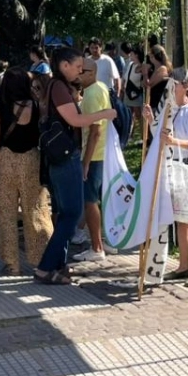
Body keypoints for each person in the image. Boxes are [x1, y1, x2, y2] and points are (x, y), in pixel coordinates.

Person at [34, 47, 116, 285]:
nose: (80, 72)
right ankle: (46, 267)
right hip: (65, 158)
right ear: (64, 65)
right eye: (78, 67)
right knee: (72, 214)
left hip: (62, 158)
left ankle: (58, 265)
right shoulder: (58, 87)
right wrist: (105, 113)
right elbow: (75, 120)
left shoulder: (55, 86)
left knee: (67, 214)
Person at [0, 67, 52, 275]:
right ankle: (41, 258)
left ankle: (11, 264)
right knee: (35, 209)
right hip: (31, 159)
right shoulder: (36, 106)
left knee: (5, 213)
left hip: (6, 158)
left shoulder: (0, 108)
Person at [149, 67, 188, 284]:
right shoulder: (170, 108)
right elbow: (161, 135)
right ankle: (183, 265)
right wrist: (149, 120)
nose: (171, 87)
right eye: (170, 83)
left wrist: (174, 142)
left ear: (187, 86)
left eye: (175, 83)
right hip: (173, 165)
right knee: (180, 219)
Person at [71, 57, 112, 264]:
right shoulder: (100, 88)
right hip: (103, 152)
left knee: (90, 201)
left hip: (95, 154)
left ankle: (96, 246)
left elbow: (95, 131)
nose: (77, 73)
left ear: (91, 73)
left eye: (81, 70)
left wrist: (85, 162)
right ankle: (104, 241)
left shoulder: (91, 95)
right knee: (98, 200)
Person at [144, 44, 170, 114]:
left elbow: (149, 85)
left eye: (151, 56)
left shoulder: (162, 69)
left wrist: (145, 73)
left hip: (157, 102)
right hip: (152, 101)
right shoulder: (153, 68)